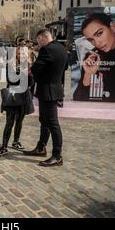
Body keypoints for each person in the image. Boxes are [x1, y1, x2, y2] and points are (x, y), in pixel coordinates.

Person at [23, 29, 68, 167]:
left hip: (47, 90)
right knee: (44, 120)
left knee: (52, 123)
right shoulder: (61, 48)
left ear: (43, 38)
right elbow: (65, 67)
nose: (38, 43)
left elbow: (36, 69)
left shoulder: (46, 49)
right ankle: (41, 147)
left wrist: (29, 69)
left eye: (38, 40)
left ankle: (57, 156)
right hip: (54, 88)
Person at [73, 13, 115, 102]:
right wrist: (88, 75)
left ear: (112, 27)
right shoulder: (92, 58)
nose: (97, 43)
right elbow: (78, 99)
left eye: (99, 34)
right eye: (91, 40)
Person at [0, 46, 31, 157]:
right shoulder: (11, 65)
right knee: (9, 122)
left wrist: (29, 75)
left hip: (24, 96)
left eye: (25, 54)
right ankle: (4, 146)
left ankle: (16, 141)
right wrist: (23, 74)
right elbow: (10, 80)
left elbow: (31, 83)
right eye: (20, 54)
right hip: (13, 95)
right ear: (16, 54)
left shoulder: (28, 66)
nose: (23, 56)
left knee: (20, 121)